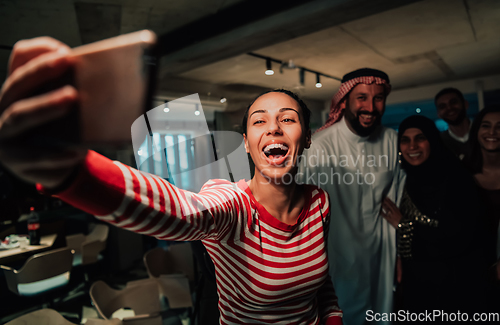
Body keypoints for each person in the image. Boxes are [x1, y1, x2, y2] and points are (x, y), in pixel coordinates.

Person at [0, 37, 343, 324]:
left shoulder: (319, 203)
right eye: (259, 121)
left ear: (307, 138)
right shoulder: (232, 205)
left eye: (287, 119)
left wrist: (333, 318)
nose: (273, 128)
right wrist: (73, 173)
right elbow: (182, 211)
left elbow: (319, 281)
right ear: (246, 143)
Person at [299, 68, 405, 325]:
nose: (370, 106)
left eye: (378, 98)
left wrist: (400, 252)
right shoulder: (320, 147)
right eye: (362, 98)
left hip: (381, 258)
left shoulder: (393, 141)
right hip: (336, 258)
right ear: (344, 101)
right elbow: (302, 211)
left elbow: (401, 196)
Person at [380, 115, 489, 317]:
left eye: (420, 138)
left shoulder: (457, 178)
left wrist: (403, 225)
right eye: (405, 140)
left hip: (457, 283)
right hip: (418, 282)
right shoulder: (403, 179)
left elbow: (463, 236)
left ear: (432, 140)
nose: (412, 146)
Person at [463, 105, 500, 307]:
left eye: (499, 126)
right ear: (476, 131)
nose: (492, 132)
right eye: (486, 126)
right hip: (473, 271)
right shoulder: (461, 175)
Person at [434, 87, 471, 159]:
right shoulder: (439, 143)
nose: (449, 108)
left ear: (465, 104)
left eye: (453, 102)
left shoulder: (483, 133)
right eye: (442, 106)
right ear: (438, 113)